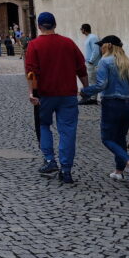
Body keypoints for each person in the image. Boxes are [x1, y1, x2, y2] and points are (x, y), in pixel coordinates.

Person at [24, 12, 88, 185]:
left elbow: (31, 72)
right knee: (68, 131)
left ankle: (50, 160)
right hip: (68, 95)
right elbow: (81, 68)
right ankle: (66, 170)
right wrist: (86, 88)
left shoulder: (34, 45)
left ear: (38, 26)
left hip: (45, 94)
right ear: (55, 25)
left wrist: (31, 93)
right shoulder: (68, 43)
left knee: (44, 125)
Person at [79, 35, 129, 185]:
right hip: (128, 105)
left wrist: (85, 91)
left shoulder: (105, 62)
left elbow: (102, 85)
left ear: (108, 46)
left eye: (102, 45)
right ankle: (119, 172)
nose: (100, 48)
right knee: (120, 137)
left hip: (112, 104)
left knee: (107, 138)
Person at [79, 24, 101, 105]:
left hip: (93, 63)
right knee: (91, 81)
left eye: (81, 29)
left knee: (93, 81)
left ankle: (93, 99)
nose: (81, 31)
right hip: (89, 63)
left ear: (84, 29)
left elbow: (96, 50)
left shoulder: (93, 37)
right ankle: (92, 97)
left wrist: (91, 61)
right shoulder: (89, 38)